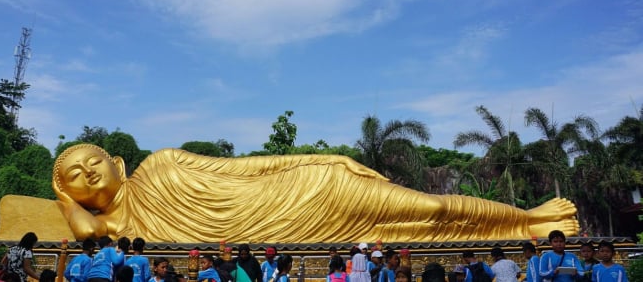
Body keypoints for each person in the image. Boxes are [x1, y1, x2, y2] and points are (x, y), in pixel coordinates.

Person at [48, 144, 579, 243]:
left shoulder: (162, 164)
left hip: (307, 190)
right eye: (73, 175)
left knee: (432, 206)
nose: (88, 175)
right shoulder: (116, 228)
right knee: (415, 229)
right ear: (64, 189)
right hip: (291, 230)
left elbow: (247, 168)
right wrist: (66, 203)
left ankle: (527, 218)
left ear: (116, 163)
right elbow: (88, 234)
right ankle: (522, 226)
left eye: (93, 162)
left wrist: (321, 159)